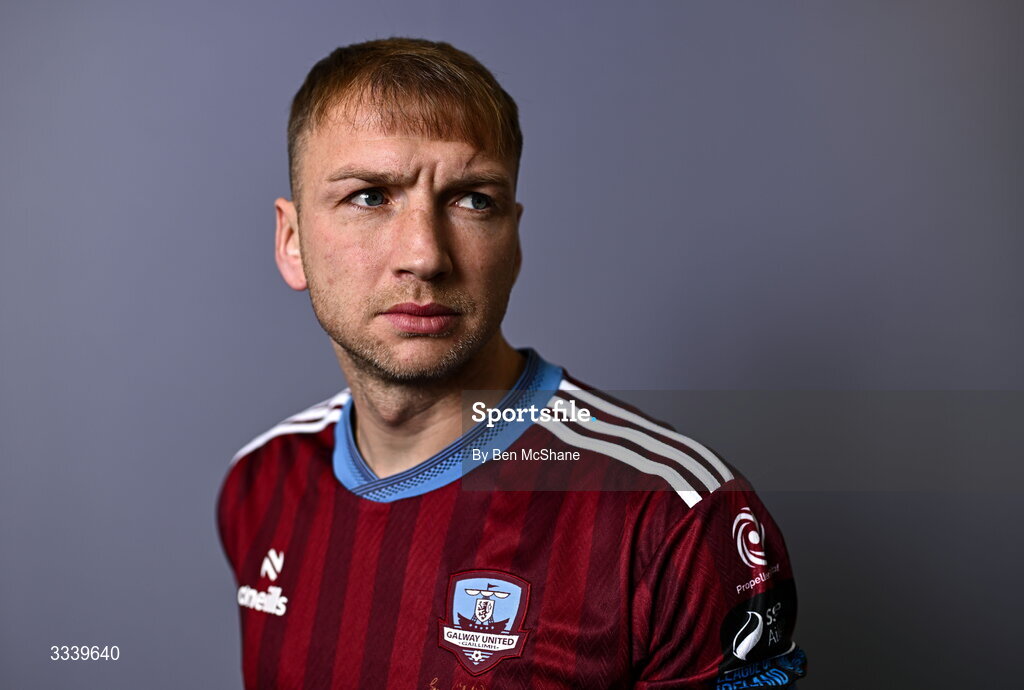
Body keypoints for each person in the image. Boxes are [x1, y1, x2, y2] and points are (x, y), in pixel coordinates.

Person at [217, 37, 806, 689]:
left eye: (473, 200)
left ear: (514, 241)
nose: (425, 255)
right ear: (292, 241)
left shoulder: (678, 515)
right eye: (370, 196)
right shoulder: (260, 484)